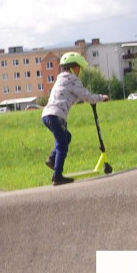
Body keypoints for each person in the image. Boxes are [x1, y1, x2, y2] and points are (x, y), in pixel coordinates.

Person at [41, 52, 109, 185]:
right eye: (79, 68)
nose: (80, 71)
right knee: (62, 144)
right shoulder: (72, 79)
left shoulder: (60, 79)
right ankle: (57, 176)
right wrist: (102, 98)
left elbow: (70, 96)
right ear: (74, 68)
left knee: (66, 137)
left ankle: (52, 159)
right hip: (56, 115)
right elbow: (86, 96)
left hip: (47, 115)